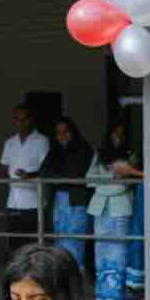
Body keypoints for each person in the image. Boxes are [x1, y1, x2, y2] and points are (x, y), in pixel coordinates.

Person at [90, 117, 141, 300]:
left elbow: (126, 184)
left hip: (121, 206)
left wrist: (105, 182)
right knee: (101, 248)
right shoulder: (99, 154)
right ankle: (102, 292)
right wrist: (112, 179)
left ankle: (116, 292)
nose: (117, 138)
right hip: (100, 206)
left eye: (121, 134)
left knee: (119, 248)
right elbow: (89, 179)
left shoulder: (130, 155)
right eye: (114, 134)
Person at [0, 105, 51, 276]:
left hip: (34, 202)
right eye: (18, 120)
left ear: (31, 119)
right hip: (13, 201)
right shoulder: (10, 142)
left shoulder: (42, 141)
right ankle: (15, 278)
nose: (22, 123)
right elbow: (4, 166)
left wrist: (30, 175)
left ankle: (36, 278)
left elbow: (47, 168)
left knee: (34, 246)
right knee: (14, 244)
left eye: (25, 119)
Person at [42, 116, 96, 275]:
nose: (62, 136)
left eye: (66, 132)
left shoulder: (83, 149)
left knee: (74, 242)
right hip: (59, 201)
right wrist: (61, 178)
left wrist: (58, 177)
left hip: (76, 201)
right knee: (59, 240)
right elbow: (44, 171)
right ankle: (62, 282)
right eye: (58, 133)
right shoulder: (55, 151)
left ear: (73, 132)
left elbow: (76, 174)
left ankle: (74, 283)